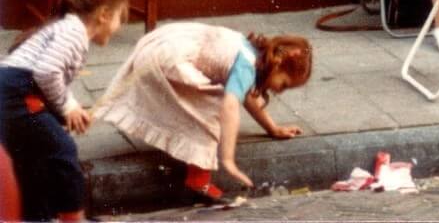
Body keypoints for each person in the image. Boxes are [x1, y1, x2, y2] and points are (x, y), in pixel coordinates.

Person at [93, 23, 312, 203]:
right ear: (278, 63)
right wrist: (228, 159)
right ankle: (198, 179)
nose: (279, 90)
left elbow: (247, 97)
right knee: (214, 105)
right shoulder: (246, 66)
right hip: (168, 57)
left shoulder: (252, 52)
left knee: (197, 103)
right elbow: (231, 105)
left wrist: (273, 128)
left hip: (161, 42)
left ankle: (192, 163)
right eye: (283, 84)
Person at [0, 0, 128, 222]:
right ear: (103, 14)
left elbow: (46, 81)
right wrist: (68, 106)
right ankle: (72, 217)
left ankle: (36, 217)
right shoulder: (74, 32)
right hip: (15, 93)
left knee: (34, 159)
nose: (120, 25)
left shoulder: (66, 27)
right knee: (62, 150)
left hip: (12, 92)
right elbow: (46, 72)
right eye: (120, 17)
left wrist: (65, 111)